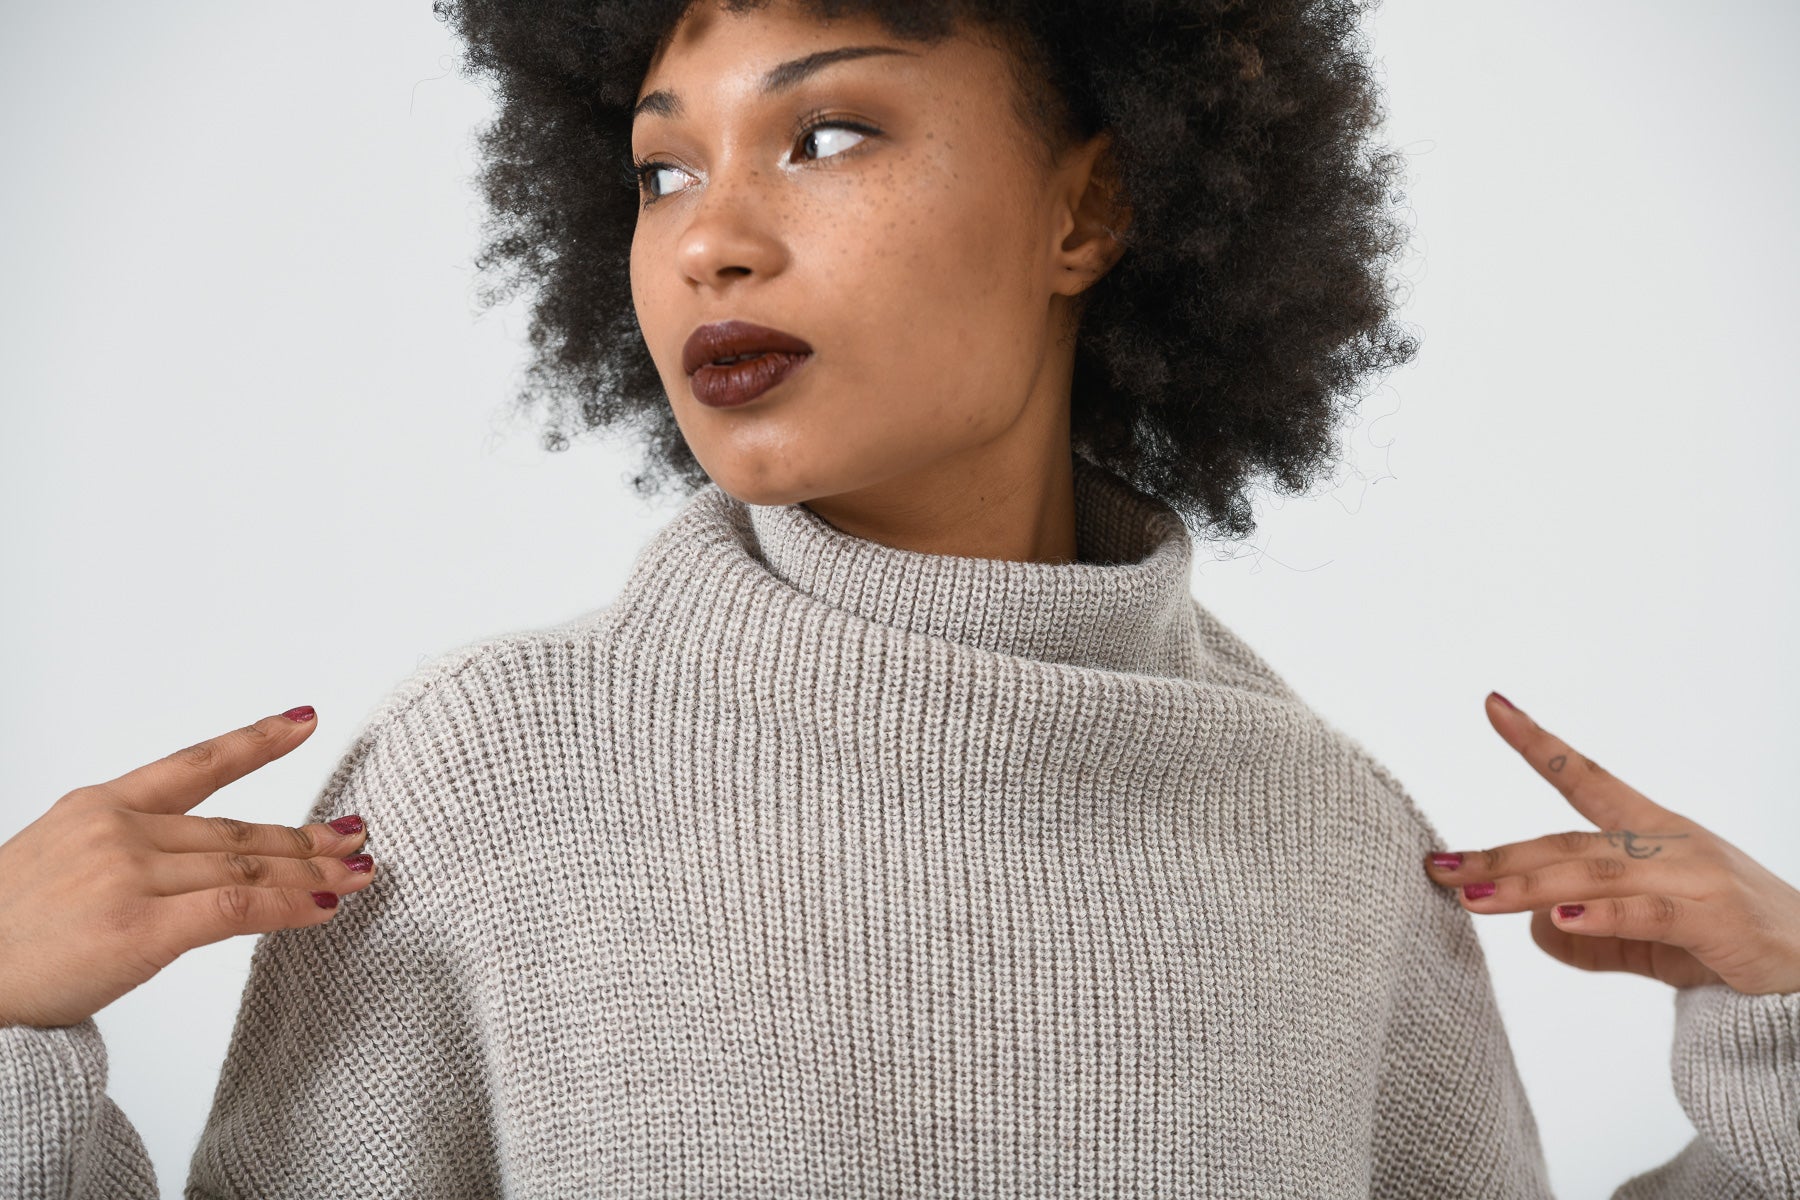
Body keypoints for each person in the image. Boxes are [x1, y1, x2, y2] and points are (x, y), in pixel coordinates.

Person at [4, 1, 1797, 1196]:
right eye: (662, 168)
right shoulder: (492, 785)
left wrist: (1783, 1048)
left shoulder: (1327, 839)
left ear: (1088, 211)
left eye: (827, 136)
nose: (708, 239)